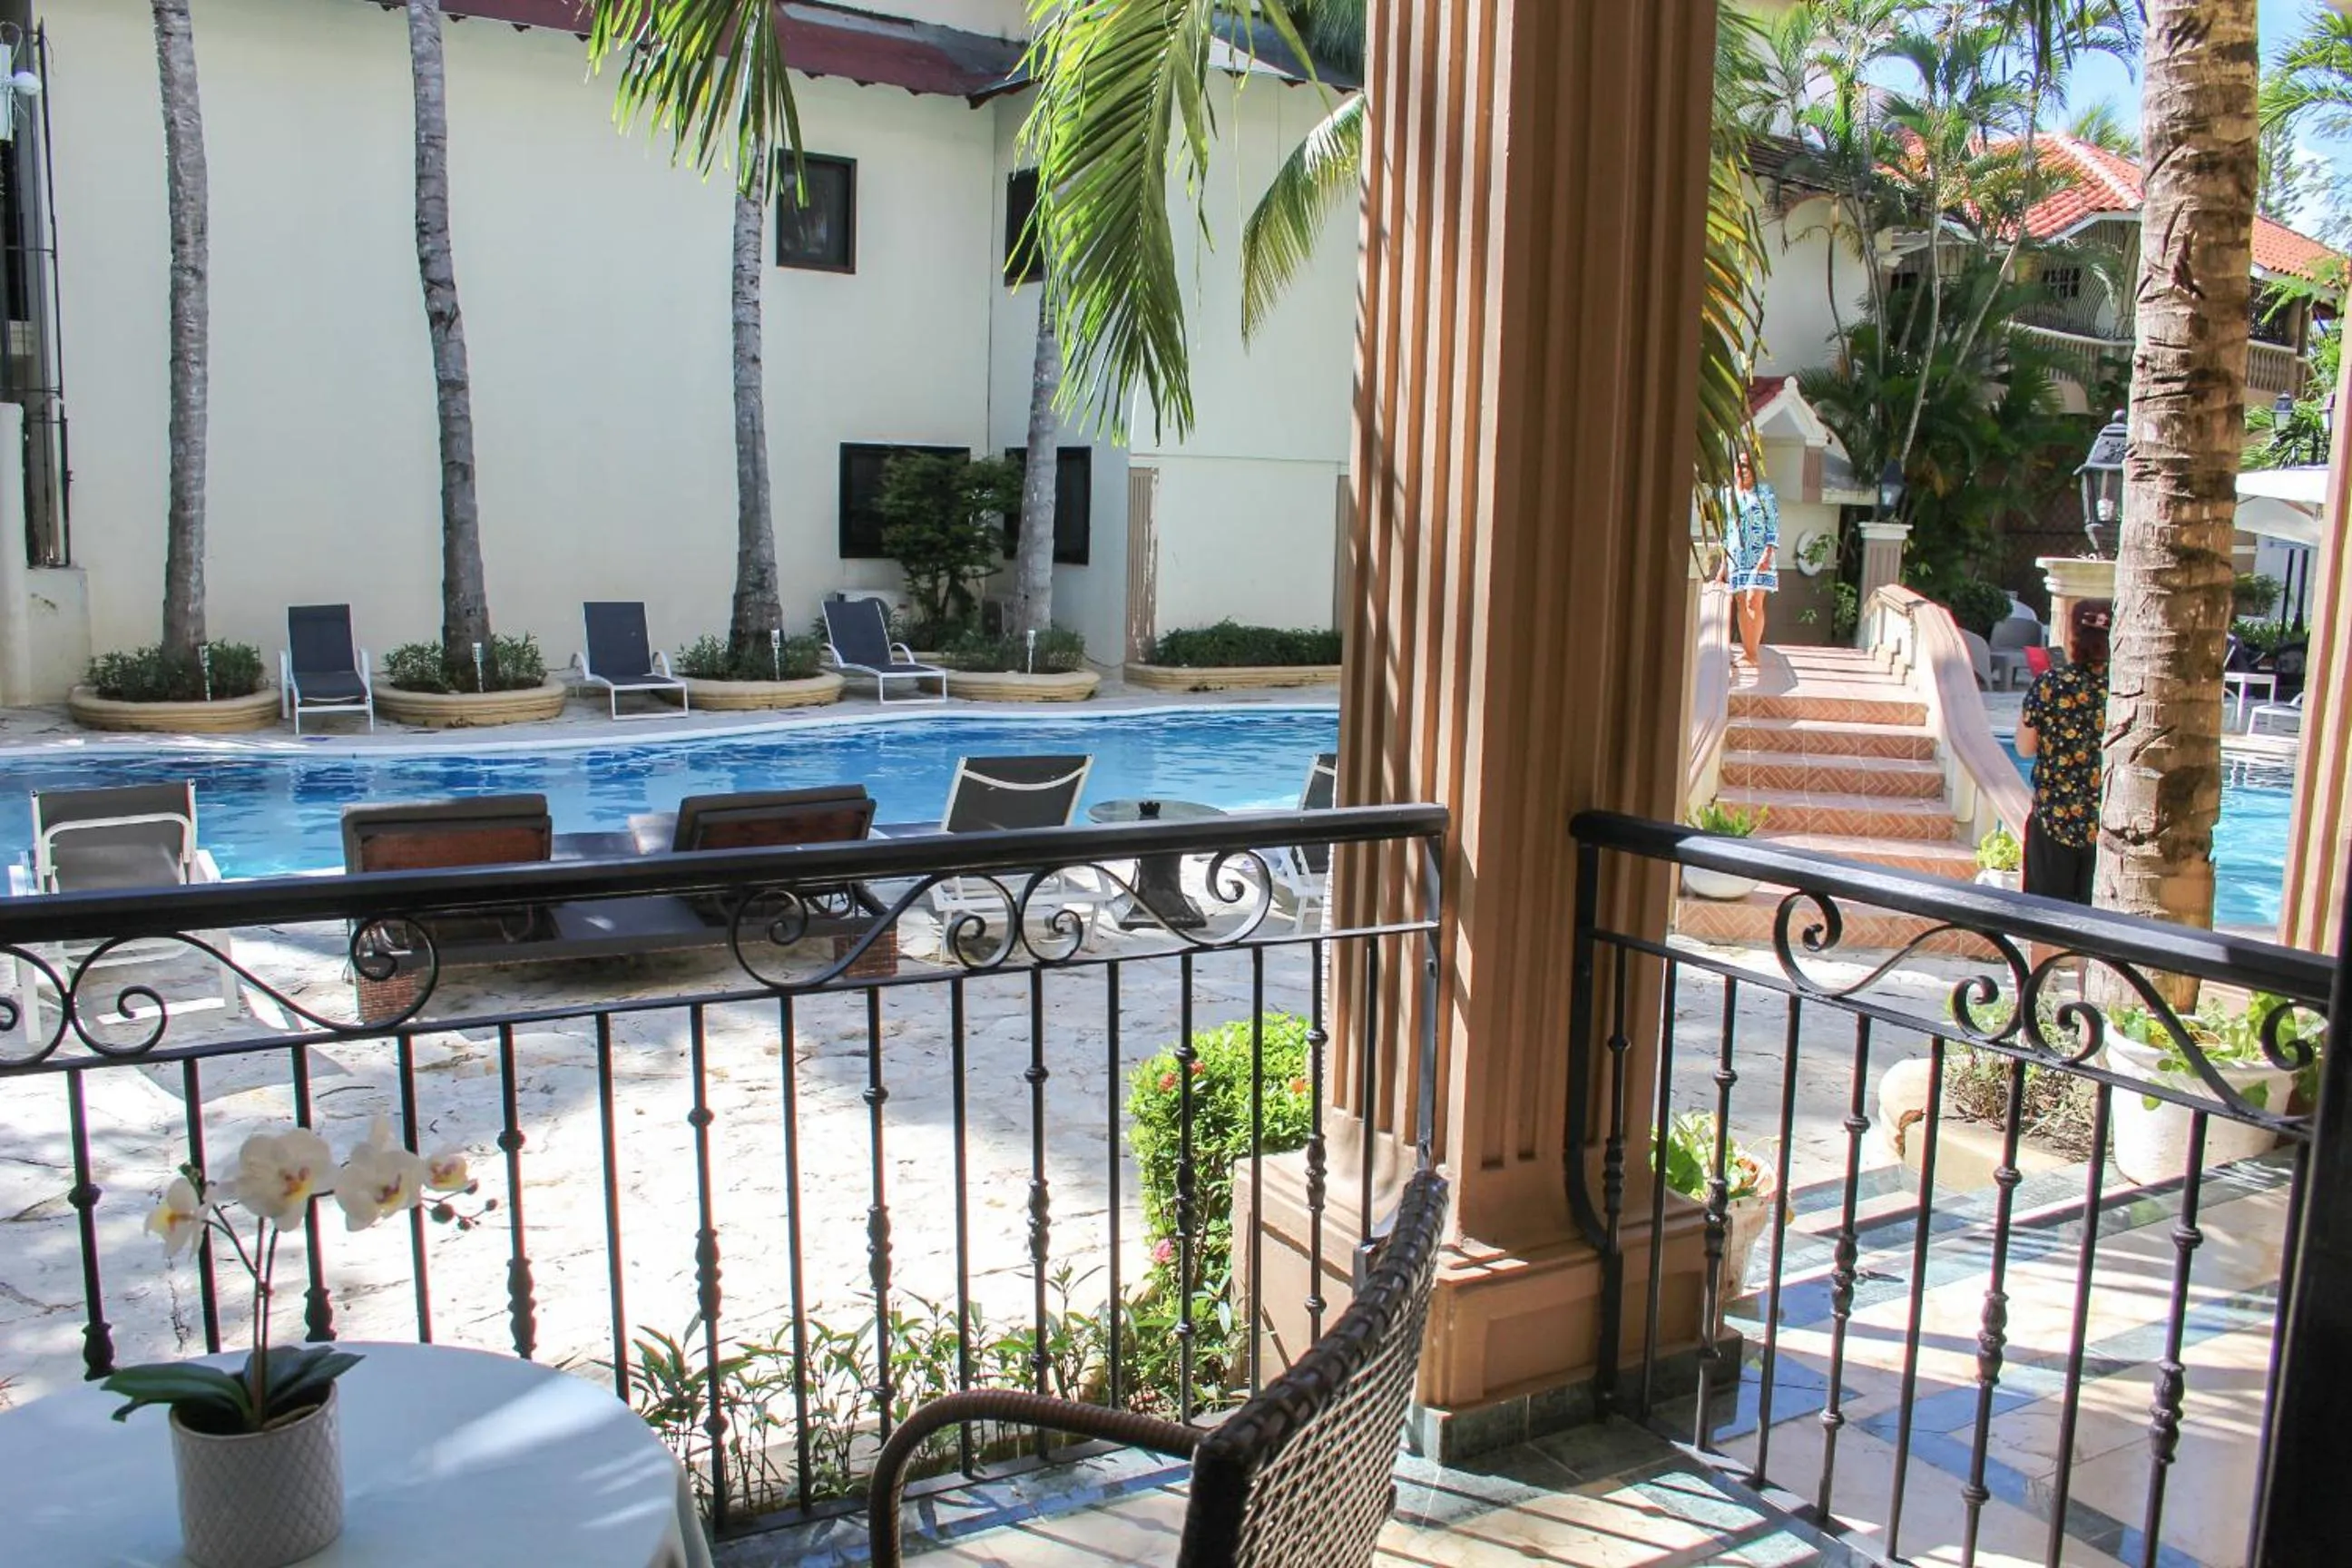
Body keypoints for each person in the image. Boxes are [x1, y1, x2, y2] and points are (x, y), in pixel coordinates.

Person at [2014, 598, 2112, 903]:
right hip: (2105, 826)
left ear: (2072, 636)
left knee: (2046, 923)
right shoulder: (2123, 690)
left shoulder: (2051, 685)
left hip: (2054, 821)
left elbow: (2024, 748)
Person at [1718, 450, 1779, 669]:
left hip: (1759, 555)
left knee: (1755, 600)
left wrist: (1767, 553)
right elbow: (1725, 531)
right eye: (1740, 465)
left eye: (1748, 466)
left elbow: (1773, 526)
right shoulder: (1726, 495)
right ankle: (1747, 651)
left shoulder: (1765, 493)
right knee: (1742, 602)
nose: (1744, 470)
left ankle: (1753, 653)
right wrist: (1723, 564)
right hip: (1736, 557)